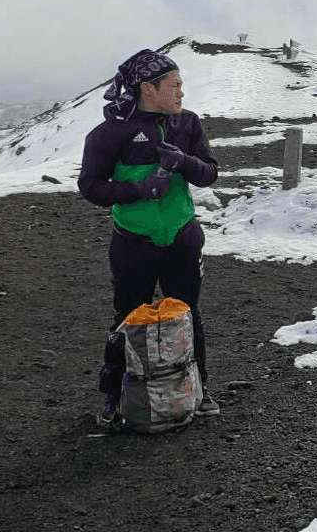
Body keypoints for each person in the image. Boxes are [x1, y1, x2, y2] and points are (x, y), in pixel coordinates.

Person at [79, 48, 221, 425]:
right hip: (132, 243)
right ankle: (115, 396)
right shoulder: (109, 135)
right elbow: (90, 187)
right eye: (174, 85)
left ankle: (198, 389)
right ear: (148, 88)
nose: (181, 93)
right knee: (127, 318)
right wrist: (139, 189)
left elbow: (209, 174)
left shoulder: (186, 124)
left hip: (182, 238)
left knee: (189, 314)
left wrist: (183, 162)